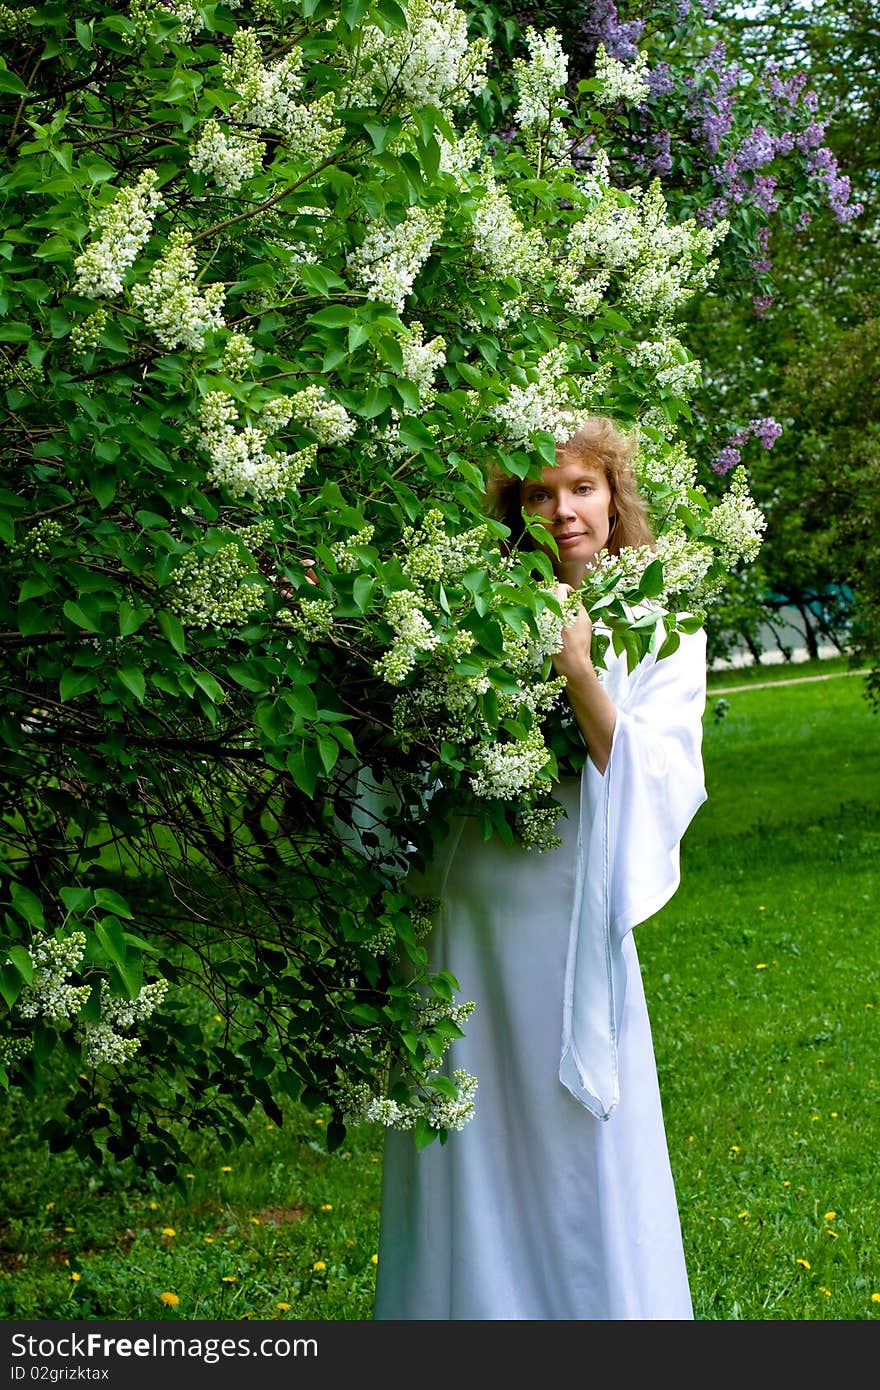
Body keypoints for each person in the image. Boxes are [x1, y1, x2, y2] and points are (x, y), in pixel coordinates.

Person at [372, 415, 708, 1321]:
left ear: (614, 498)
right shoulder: (474, 611)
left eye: (582, 489)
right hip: (472, 910)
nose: (564, 511)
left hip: (568, 918)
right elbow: (412, 760)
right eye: (539, 494)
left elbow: (655, 777)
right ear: (516, 511)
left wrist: (576, 668)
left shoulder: (663, 627)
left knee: (572, 1136)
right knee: (472, 1126)